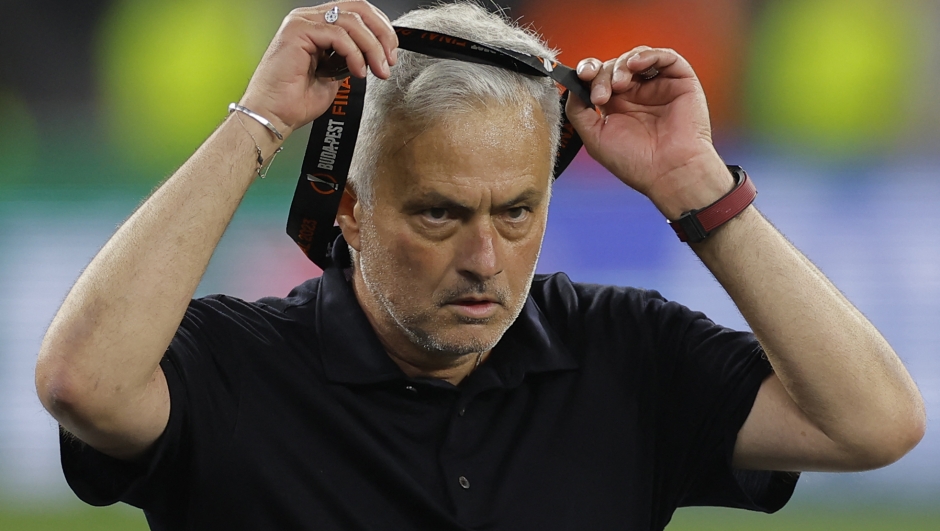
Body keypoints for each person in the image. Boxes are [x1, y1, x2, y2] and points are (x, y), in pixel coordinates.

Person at [36, 1, 925, 530]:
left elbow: (874, 422)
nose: (483, 259)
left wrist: (697, 184)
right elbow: (82, 380)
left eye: (516, 212)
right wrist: (260, 121)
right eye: (439, 212)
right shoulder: (239, 366)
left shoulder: (620, 350)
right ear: (351, 208)